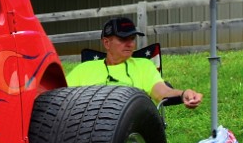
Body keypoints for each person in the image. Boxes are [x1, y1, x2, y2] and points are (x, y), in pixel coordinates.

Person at [67, 17, 203, 108]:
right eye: (123, 39)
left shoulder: (144, 65)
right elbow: (61, 98)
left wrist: (183, 93)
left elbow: (161, 92)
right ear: (106, 43)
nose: (130, 44)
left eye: (132, 39)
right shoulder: (83, 69)